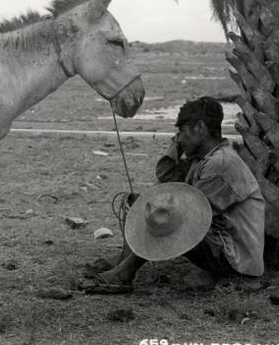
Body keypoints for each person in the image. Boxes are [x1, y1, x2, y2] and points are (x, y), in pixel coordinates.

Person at [85, 96, 265, 293]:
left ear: (200, 128)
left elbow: (185, 215)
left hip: (236, 258)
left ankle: (123, 273)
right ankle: (122, 264)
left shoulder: (220, 164)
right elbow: (165, 174)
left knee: (166, 217)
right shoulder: (206, 158)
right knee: (153, 203)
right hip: (224, 246)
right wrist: (178, 145)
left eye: (182, 132)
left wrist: (153, 206)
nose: (179, 137)